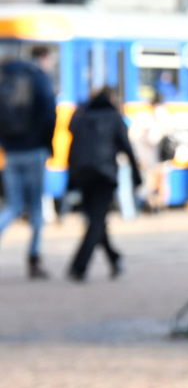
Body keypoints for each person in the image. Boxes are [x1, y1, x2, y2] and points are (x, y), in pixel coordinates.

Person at [66, 87, 142, 281]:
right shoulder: (113, 117)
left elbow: (73, 149)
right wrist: (136, 175)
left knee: (96, 220)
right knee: (97, 221)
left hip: (83, 174)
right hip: (104, 174)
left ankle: (114, 258)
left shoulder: (81, 116)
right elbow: (127, 147)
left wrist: (71, 179)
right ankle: (79, 266)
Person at [0, 45, 58, 279]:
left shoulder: (4, 80)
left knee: (12, 206)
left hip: (11, 152)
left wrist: (5, 143)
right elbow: (49, 113)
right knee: (35, 207)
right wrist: (47, 144)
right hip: (35, 150)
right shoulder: (37, 78)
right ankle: (34, 259)